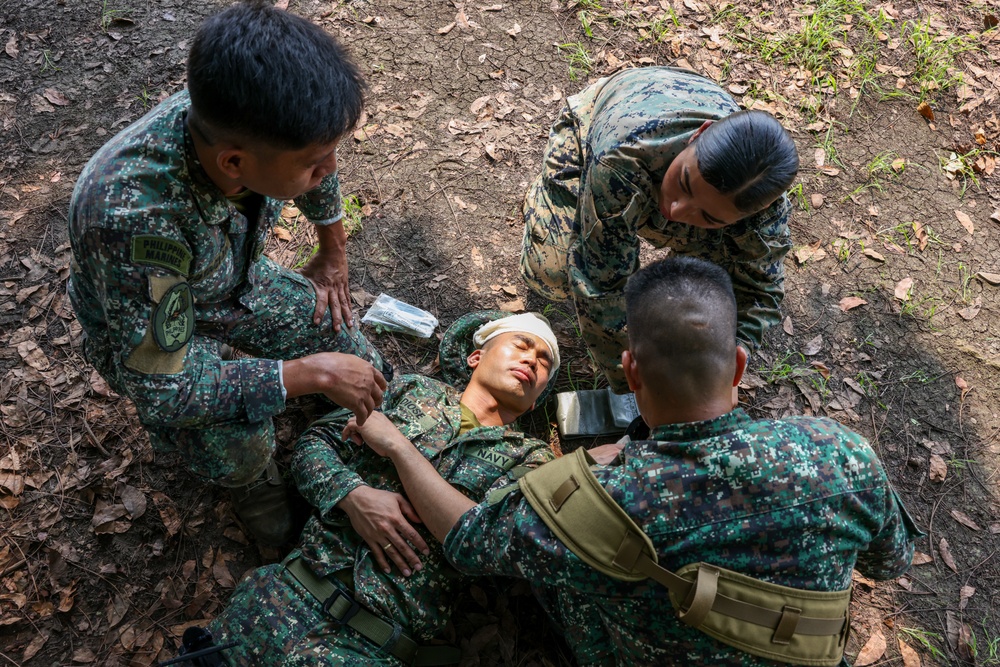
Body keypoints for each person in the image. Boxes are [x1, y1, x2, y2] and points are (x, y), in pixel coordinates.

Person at [353, 257, 920, 666]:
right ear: (740, 365)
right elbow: (892, 561)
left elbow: (470, 542)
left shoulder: (601, 502)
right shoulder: (841, 452)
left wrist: (400, 447)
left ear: (630, 373)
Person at [66, 2, 388, 545]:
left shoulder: (255, 123)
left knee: (349, 344)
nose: (329, 169)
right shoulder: (131, 219)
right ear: (234, 165)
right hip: (153, 342)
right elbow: (165, 386)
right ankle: (254, 485)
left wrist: (333, 249)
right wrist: (308, 374)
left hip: (230, 286)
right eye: (315, 161)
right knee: (243, 442)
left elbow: (316, 164)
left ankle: (333, 435)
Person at [205, 311, 613, 665]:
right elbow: (316, 444)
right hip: (274, 604)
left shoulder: (534, 463)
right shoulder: (410, 391)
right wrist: (352, 495)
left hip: (368, 648)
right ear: (476, 356)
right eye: (522, 345)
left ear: (537, 400)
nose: (532, 360)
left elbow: (490, 546)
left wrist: (397, 446)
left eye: (543, 363)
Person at [520, 66, 799, 393]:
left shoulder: (764, 217)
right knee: (552, 273)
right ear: (699, 134)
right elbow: (600, 283)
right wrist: (635, 382)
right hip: (593, 126)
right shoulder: (621, 158)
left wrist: (728, 359)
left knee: (706, 296)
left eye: (708, 216)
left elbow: (758, 291)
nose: (675, 209)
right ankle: (557, 196)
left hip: (663, 131)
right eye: (684, 183)